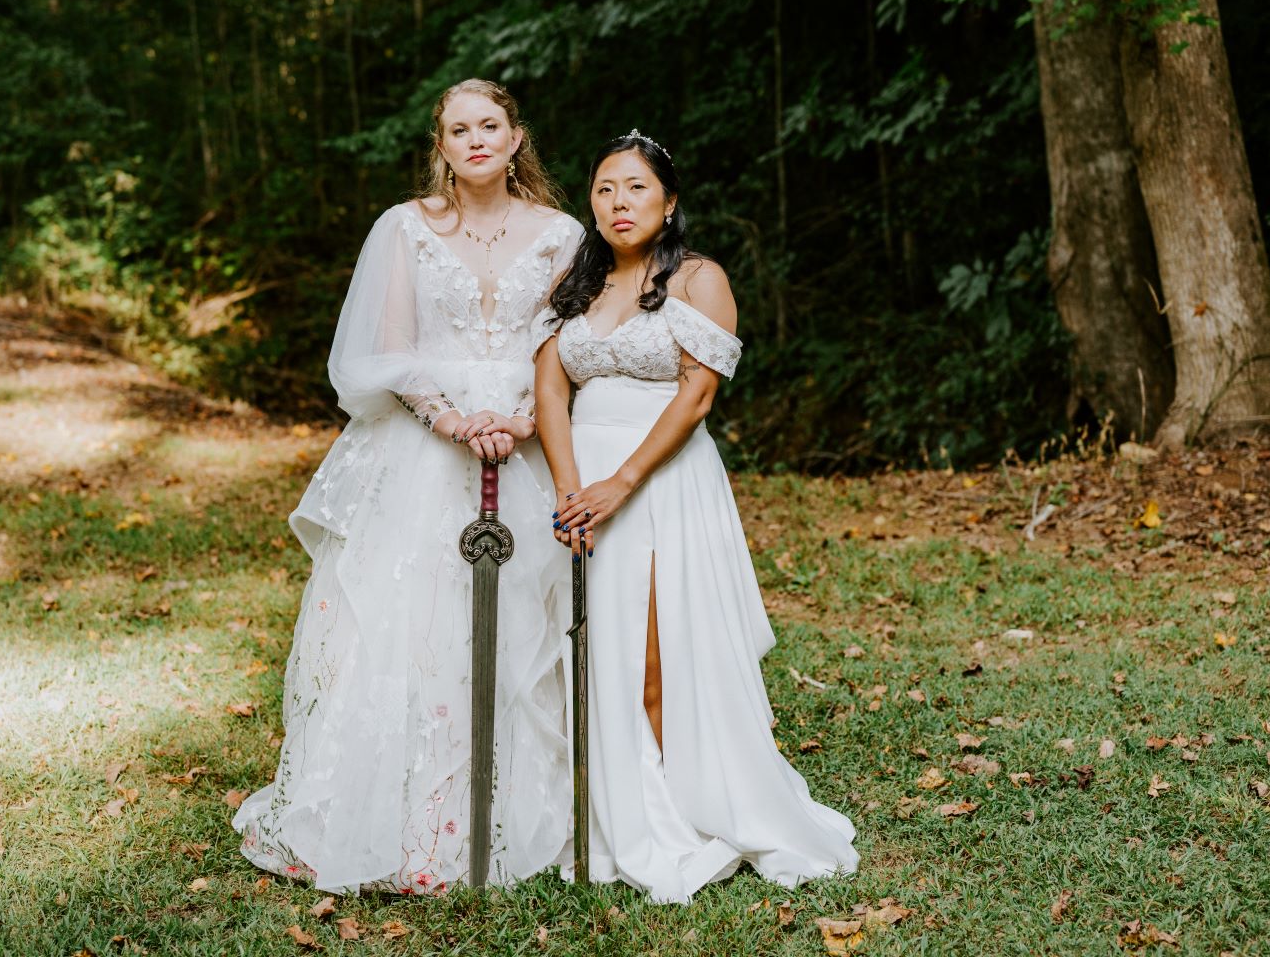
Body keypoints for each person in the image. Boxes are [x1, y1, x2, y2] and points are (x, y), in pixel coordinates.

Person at [234, 80, 583, 893]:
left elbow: (569, 343)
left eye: (488, 124)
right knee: (410, 624)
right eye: (458, 129)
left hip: (530, 442)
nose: (475, 140)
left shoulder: (563, 234)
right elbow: (383, 350)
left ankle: (521, 811)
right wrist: (451, 418)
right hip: (425, 449)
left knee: (524, 625)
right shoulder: (404, 228)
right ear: (443, 146)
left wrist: (530, 415)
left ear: (515, 135)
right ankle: (398, 824)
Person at [533, 131, 859, 903]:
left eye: (637, 187)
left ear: (669, 202)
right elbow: (551, 391)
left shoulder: (698, 280)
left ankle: (675, 803)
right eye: (606, 188)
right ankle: (605, 799)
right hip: (583, 487)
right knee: (589, 642)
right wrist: (571, 489)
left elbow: (697, 394)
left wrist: (621, 483)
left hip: (663, 482)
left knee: (655, 647)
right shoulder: (573, 287)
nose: (619, 202)